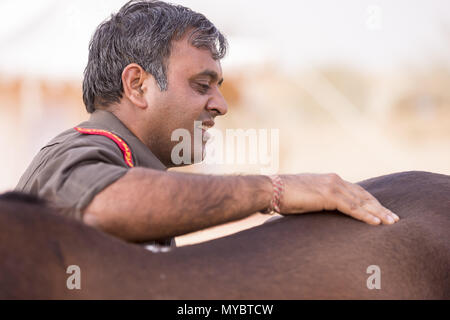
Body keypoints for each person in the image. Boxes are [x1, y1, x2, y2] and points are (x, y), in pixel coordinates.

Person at [15, 0, 399, 247]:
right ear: (137, 85)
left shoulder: (128, 160)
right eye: (202, 85)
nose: (221, 105)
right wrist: (276, 190)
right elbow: (104, 204)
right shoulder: (76, 152)